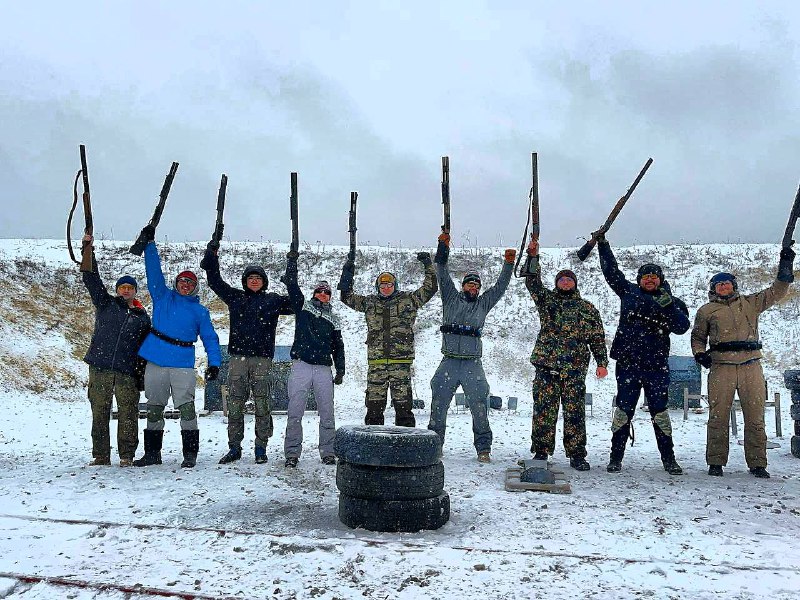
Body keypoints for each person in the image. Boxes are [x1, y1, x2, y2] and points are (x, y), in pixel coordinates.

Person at [691, 247, 795, 478]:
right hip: (721, 368)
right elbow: (698, 337)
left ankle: (757, 463)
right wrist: (700, 354)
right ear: (713, 289)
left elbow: (776, 292)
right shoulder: (706, 311)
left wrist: (785, 267)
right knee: (718, 416)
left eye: (727, 283)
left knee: (755, 415)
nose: (724, 287)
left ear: (734, 286)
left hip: (751, 366)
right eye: (719, 285)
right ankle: (716, 461)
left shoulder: (751, 303)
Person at [598, 235, 690, 474]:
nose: (649, 280)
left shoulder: (672, 301)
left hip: (656, 367)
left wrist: (667, 305)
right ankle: (615, 457)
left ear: (661, 280)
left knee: (660, 413)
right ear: (639, 280)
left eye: (654, 276)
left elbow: (681, 327)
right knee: (623, 412)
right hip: (628, 365)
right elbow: (612, 272)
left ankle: (668, 459)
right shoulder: (628, 292)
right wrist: (603, 245)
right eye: (645, 276)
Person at [132, 225, 222, 468]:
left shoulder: (200, 311)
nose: (185, 285)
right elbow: (154, 273)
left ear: (195, 287)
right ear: (176, 283)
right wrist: (150, 245)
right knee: (154, 408)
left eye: (190, 283)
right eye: (182, 281)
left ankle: (189, 455)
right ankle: (152, 454)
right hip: (156, 360)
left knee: (187, 409)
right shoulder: (162, 296)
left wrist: (215, 363)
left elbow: (210, 338)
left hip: (182, 362)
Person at [200, 242, 293, 464]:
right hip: (237, 360)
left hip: (262, 360)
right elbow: (214, 281)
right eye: (250, 278)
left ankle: (261, 447)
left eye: (258, 278)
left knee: (263, 404)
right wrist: (211, 257)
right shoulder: (235, 297)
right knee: (235, 404)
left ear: (264, 282)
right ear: (244, 281)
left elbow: (298, 302)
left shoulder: (273, 300)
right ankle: (234, 447)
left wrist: (291, 272)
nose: (254, 281)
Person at [428, 232, 514, 463]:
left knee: (479, 405)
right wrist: (442, 246)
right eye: (470, 283)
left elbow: (500, 287)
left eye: (476, 285)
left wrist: (508, 264)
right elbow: (441, 270)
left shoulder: (484, 304)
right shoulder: (450, 298)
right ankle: (434, 446)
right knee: (438, 404)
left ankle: (483, 448)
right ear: (463, 285)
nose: (473, 287)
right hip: (449, 361)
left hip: (472, 364)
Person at [523, 239, 608, 470]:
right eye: (562, 279)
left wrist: (602, 362)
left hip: (574, 370)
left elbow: (597, 338)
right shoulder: (547, 301)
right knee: (543, 412)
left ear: (575, 283)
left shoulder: (587, 308)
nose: (565, 282)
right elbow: (532, 283)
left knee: (575, 414)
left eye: (569, 279)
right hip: (547, 368)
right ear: (557, 283)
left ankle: (577, 454)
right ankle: (541, 451)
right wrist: (533, 257)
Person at [338, 251, 437, 427]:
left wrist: (428, 265)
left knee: (403, 407)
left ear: (395, 285)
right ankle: (373, 446)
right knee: (374, 407)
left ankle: (405, 445)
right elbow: (346, 297)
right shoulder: (369, 302)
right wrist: (348, 271)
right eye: (382, 285)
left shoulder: (408, 300)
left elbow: (430, 288)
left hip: (401, 362)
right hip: (376, 363)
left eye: (389, 284)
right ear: (377, 287)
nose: (386, 288)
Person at [81, 234, 151, 467]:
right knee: (99, 412)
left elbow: (145, 349)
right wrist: (87, 249)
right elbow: (91, 278)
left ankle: (127, 455)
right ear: (117, 289)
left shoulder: (143, 318)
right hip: (99, 367)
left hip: (126, 372)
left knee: (128, 413)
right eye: (122, 287)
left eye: (130, 287)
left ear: (135, 292)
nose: (125, 290)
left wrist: (141, 376)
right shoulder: (105, 303)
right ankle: (101, 455)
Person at [283, 250, 345, 467]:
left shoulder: (334, 318)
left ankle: (328, 452)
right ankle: (292, 453)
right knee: (295, 411)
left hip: (323, 369)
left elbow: (338, 346)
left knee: (327, 412)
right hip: (301, 365)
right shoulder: (302, 307)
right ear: (314, 294)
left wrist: (341, 370)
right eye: (319, 292)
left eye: (326, 293)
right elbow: (292, 285)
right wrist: (292, 263)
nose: (322, 295)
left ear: (329, 296)